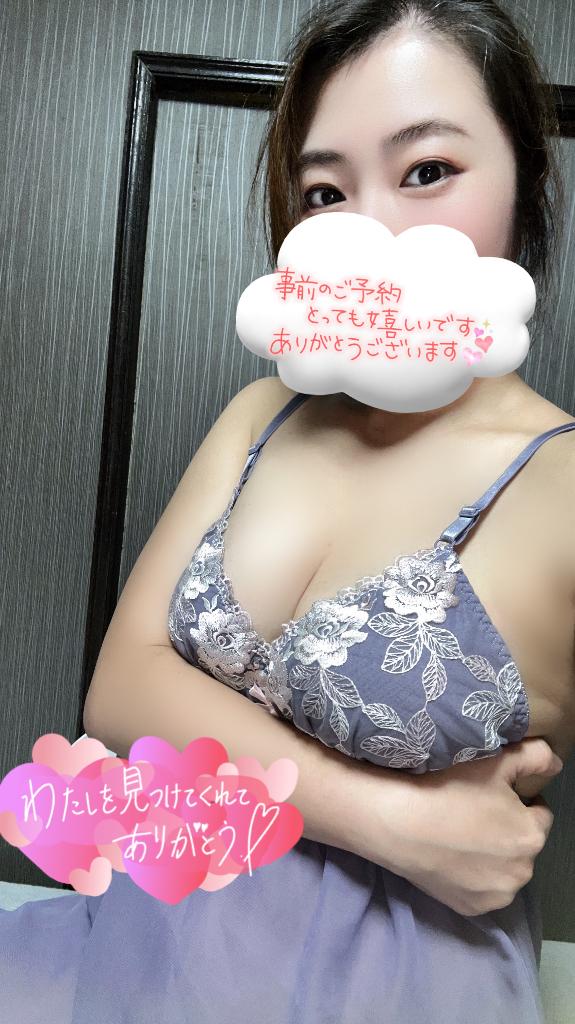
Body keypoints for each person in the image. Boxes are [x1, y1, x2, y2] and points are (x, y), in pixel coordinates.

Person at [0, 2, 572, 1022]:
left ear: (525, 181)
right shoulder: (261, 414)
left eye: (427, 170)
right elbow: (121, 689)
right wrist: (386, 818)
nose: (370, 233)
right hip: (130, 954)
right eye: (324, 192)